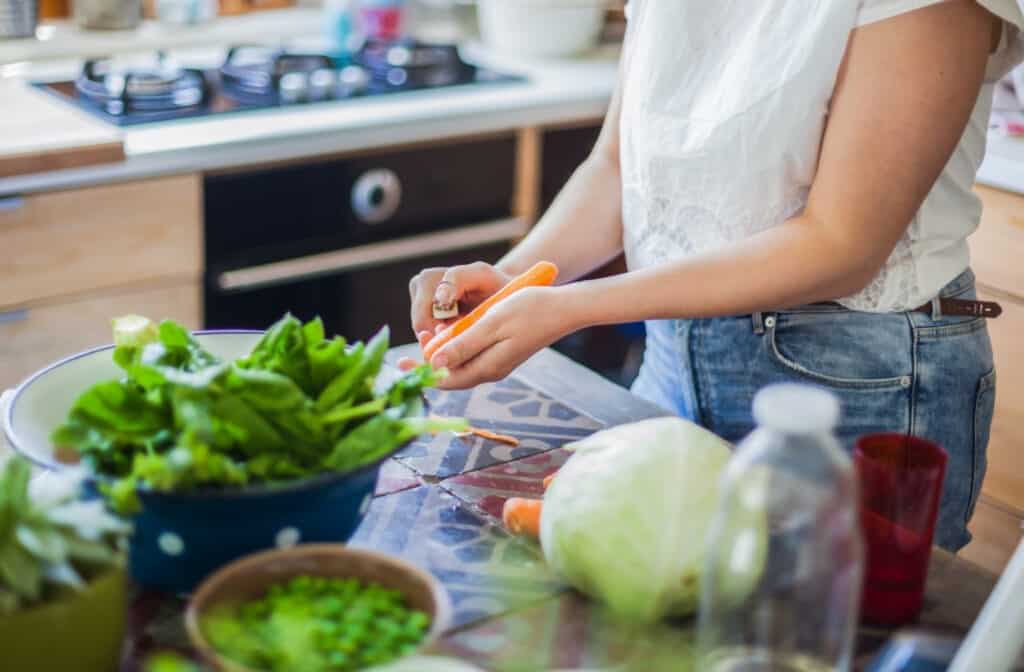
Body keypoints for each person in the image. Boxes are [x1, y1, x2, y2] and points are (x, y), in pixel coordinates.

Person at [403, 0, 1024, 551]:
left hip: (856, 381)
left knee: (813, 638)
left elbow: (843, 243)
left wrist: (568, 308)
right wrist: (513, 279)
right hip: (672, 355)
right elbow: (619, 169)